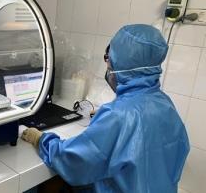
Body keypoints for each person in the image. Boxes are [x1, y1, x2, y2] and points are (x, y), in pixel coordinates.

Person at [22, 24, 190, 193]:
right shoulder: (165, 103)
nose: (107, 63)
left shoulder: (117, 115)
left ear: (124, 62)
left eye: (109, 57)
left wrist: (42, 140)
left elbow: (75, 161)